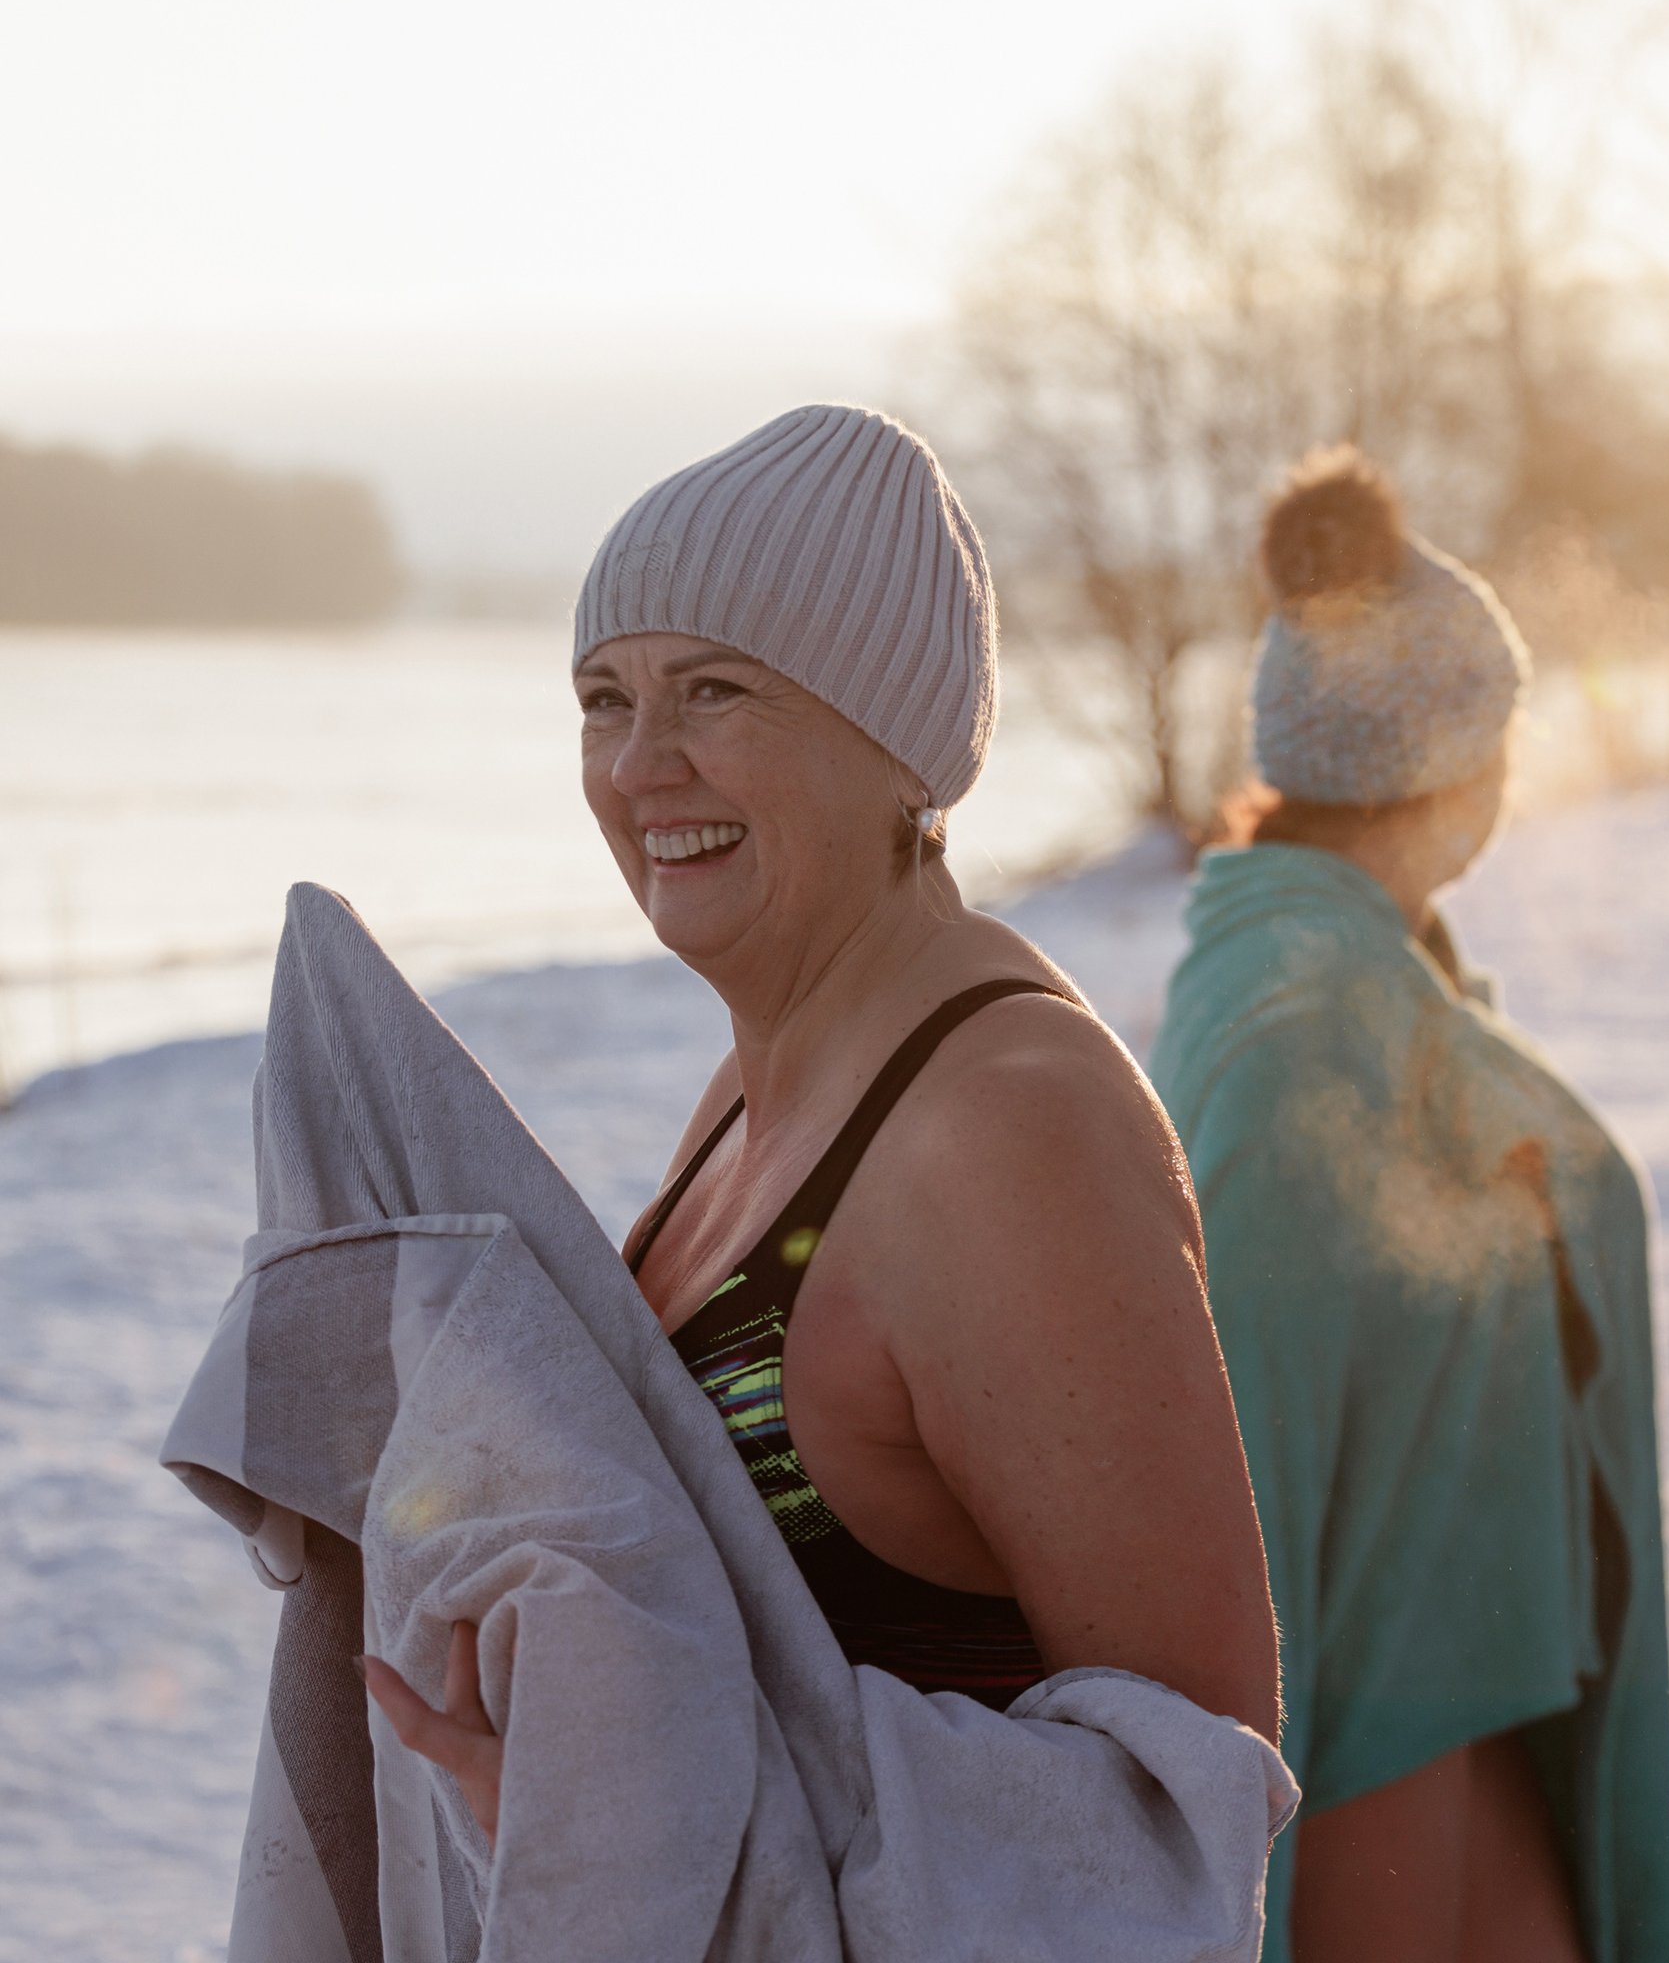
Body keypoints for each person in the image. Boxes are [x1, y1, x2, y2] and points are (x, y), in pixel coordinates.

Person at [366, 402, 1280, 1833]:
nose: (638, 764)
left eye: (717, 692)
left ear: (897, 746)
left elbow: (1192, 1787)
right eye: (605, 699)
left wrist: (642, 1811)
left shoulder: (1006, 1130)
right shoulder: (758, 1082)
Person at [1148, 446, 1669, 1963]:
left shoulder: (1349, 986)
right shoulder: (1310, 1033)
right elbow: (1253, 1447)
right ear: (1444, 770)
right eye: (1498, 746)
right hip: (1378, 1747)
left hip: (1479, 1704)